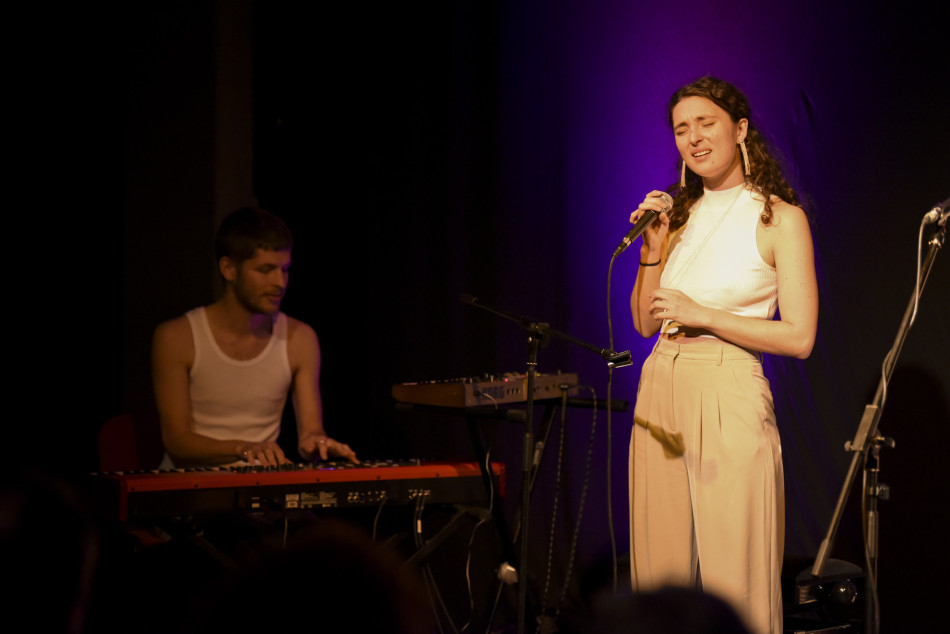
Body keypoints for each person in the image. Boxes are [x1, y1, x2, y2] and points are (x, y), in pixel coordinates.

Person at [627, 77, 817, 634]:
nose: (693, 138)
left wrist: (704, 313)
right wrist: (653, 251)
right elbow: (644, 323)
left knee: (737, 576)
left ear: (739, 130)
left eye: (706, 123)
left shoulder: (779, 218)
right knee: (659, 578)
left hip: (727, 384)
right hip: (660, 383)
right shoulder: (679, 216)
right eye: (681, 129)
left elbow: (800, 337)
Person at [152, 206, 357, 468]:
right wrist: (245, 449)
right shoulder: (176, 337)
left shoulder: (300, 338)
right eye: (266, 270)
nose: (280, 282)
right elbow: (177, 443)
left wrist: (318, 443)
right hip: (189, 487)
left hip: (259, 487)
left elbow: (310, 433)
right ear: (229, 269)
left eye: (285, 269)